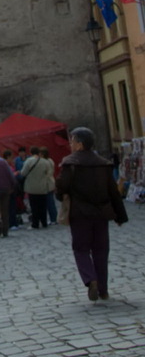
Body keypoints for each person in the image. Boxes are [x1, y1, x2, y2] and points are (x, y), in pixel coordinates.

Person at [55, 127, 127, 301]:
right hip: (102, 213)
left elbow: (61, 188)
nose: (70, 144)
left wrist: (60, 193)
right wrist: (120, 215)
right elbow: (113, 192)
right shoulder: (103, 163)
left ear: (79, 144)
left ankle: (90, 279)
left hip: (79, 214)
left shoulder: (70, 164)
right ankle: (103, 289)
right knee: (101, 250)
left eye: (72, 141)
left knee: (81, 249)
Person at [20, 146, 55, 229]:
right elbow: (49, 173)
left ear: (31, 152)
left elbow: (23, 173)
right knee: (43, 205)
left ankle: (35, 223)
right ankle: (44, 222)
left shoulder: (28, 161)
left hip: (31, 187)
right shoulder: (45, 162)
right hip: (42, 186)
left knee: (34, 206)